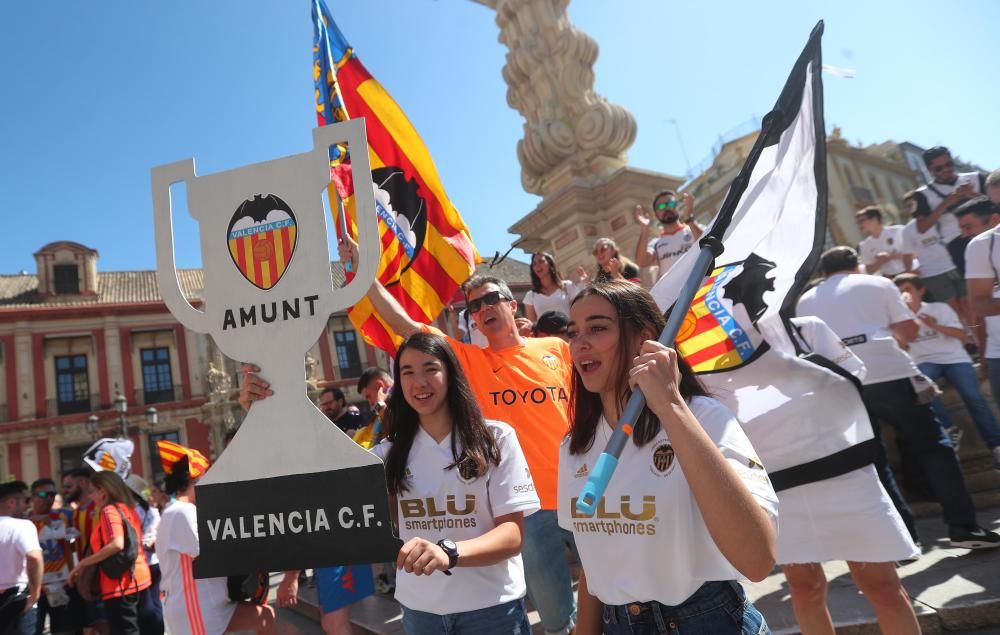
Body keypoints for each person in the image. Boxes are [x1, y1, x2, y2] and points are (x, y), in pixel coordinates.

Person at [343, 231, 578, 635]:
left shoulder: (557, 348)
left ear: (511, 303)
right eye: (474, 306)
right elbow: (404, 325)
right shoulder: (466, 360)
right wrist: (366, 275)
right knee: (558, 618)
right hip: (529, 507)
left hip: (584, 489)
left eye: (491, 299)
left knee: (613, 592)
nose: (482, 308)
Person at [560, 281, 777, 634]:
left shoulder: (704, 417)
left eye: (597, 328)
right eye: (573, 332)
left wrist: (670, 406)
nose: (579, 342)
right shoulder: (574, 446)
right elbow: (596, 562)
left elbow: (757, 559)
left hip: (707, 621)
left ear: (644, 340)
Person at [797, 246, 1000, 548]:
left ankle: (901, 540)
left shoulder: (806, 300)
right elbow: (911, 332)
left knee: (875, 461)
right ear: (856, 266)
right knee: (936, 449)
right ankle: (962, 527)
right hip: (890, 375)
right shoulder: (878, 284)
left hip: (843, 384)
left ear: (824, 272)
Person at [377, 332, 539, 633]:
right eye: (407, 372)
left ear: (451, 374)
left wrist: (448, 552)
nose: (419, 383)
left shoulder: (496, 439)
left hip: (492, 610)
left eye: (430, 369)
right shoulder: (385, 454)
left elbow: (512, 535)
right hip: (420, 613)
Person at [777, 317, 921, 635]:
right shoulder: (719, 348)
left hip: (843, 467)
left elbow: (854, 375)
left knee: (882, 585)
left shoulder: (806, 329)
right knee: (805, 589)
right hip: (782, 480)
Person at [154, 440, 276, 635]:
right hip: (195, 606)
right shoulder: (181, 512)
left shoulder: (183, 511)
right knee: (264, 617)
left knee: (265, 617)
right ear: (196, 480)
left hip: (209, 603)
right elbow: (213, 553)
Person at [895, 272, 1000, 468]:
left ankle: (996, 445)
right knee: (923, 389)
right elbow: (901, 346)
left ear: (920, 290)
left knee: (973, 396)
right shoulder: (899, 319)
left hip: (955, 358)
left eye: (908, 289)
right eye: (900, 291)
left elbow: (963, 336)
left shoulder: (939, 308)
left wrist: (935, 325)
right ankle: (949, 428)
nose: (904, 294)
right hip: (924, 362)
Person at [68, 471, 152, 635]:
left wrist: (84, 563)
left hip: (119, 584)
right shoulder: (128, 508)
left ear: (103, 492)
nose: (90, 496)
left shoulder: (109, 511)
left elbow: (117, 544)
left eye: (91, 491)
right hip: (139, 577)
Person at [961, 195, 1000, 472]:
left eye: (968, 226)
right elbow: (978, 308)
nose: (963, 233)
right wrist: (984, 352)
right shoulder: (978, 248)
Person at [912, 146, 987, 275]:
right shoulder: (922, 194)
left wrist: (973, 195)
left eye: (949, 164)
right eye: (939, 168)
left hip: (987, 232)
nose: (946, 169)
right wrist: (946, 203)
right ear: (929, 169)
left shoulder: (976, 178)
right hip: (957, 242)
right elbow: (922, 227)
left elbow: (995, 204)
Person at [901, 191, 969, 325]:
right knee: (953, 308)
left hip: (955, 266)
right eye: (907, 206)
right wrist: (909, 272)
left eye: (912, 204)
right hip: (933, 274)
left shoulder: (943, 218)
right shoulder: (908, 230)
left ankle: (976, 334)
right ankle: (967, 337)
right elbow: (907, 253)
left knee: (967, 305)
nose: (910, 208)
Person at [28, 478, 78, 635]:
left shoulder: (65, 516)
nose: (49, 498)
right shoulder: (22, 522)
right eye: (44, 494)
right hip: (35, 589)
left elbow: (76, 544)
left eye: (52, 494)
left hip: (62, 587)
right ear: (33, 497)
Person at [0, 481, 43, 635]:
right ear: (12, 502)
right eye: (26, 501)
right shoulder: (23, 526)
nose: (29, 506)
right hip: (18, 600)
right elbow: (34, 557)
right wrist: (35, 594)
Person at [633, 190, 704, 280]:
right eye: (661, 206)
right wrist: (645, 229)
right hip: (679, 293)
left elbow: (708, 241)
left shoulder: (694, 228)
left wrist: (689, 218)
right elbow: (641, 261)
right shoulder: (656, 244)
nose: (666, 208)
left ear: (677, 207)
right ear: (656, 215)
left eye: (670, 204)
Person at [125, 475, 163, 635]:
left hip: (142, 562)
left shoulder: (133, 512)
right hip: (156, 560)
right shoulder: (153, 511)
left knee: (144, 604)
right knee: (155, 602)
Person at [856, 206, 912, 277]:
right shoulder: (864, 245)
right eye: (857, 222)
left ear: (874, 219)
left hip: (910, 272)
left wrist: (890, 256)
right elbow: (868, 271)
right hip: (889, 278)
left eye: (861, 221)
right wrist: (880, 262)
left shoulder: (898, 230)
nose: (859, 225)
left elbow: (915, 252)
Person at [523, 253, 580, 322]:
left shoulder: (567, 286)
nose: (537, 266)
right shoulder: (530, 296)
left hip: (568, 331)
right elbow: (531, 324)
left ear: (550, 264)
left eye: (541, 261)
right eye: (534, 264)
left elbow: (579, 313)